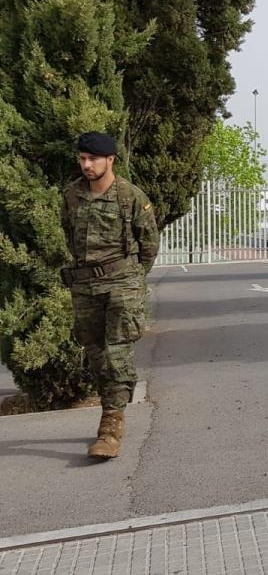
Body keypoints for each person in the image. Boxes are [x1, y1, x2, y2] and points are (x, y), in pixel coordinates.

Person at [61, 132, 159, 459]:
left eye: (93, 159)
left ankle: (111, 426)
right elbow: (69, 236)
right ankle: (113, 405)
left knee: (117, 352)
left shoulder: (130, 196)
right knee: (95, 353)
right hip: (85, 286)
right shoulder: (72, 195)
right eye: (82, 159)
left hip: (122, 285)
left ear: (110, 160)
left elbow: (149, 245)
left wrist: (131, 281)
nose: (86, 165)